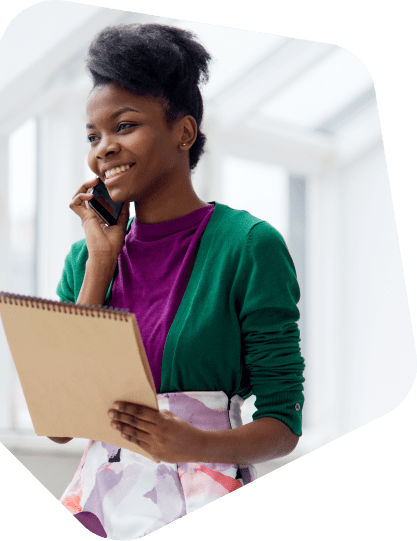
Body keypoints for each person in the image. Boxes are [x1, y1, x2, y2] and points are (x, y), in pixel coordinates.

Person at [50, 23, 305, 540]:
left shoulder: (249, 246)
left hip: (206, 491)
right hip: (100, 505)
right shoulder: (85, 259)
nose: (104, 149)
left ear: (183, 133)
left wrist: (191, 445)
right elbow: (58, 423)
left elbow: (284, 424)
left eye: (124, 126)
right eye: (93, 136)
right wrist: (102, 260)